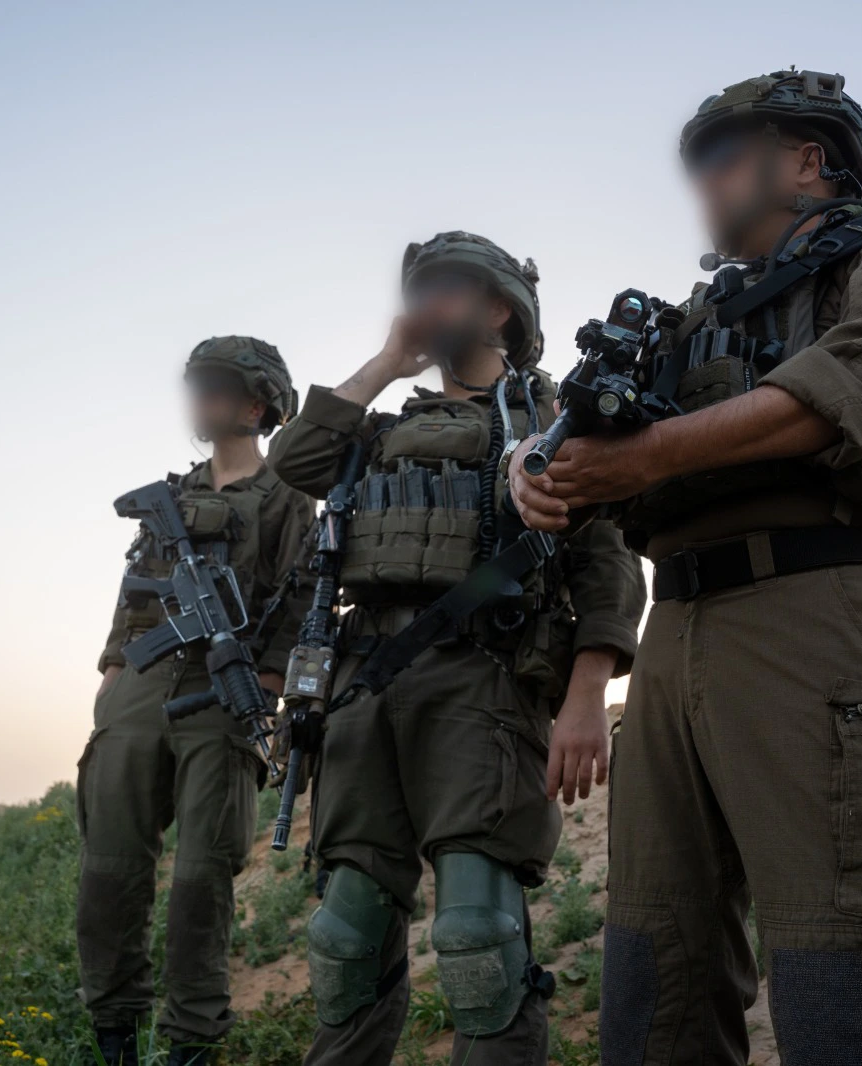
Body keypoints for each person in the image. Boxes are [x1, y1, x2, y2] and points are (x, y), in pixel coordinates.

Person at [509, 70, 862, 1066]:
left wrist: (645, 457)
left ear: (807, 160)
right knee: (654, 975)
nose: (704, 179)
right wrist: (533, 467)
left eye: (727, 154)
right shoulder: (688, 319)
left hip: (820, 616)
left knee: (846, 973)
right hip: (674, 634)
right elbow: (583, 442)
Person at [269, 232, 645, 1066]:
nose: (425, 304)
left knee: (480, 938)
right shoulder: (377, 430)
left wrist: (588, 694)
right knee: (345, 937)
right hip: (363, 686)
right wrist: (385, 363)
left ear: (500, 309)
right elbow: (292, 461)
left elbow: (608, 565)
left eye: (447, 288)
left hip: (486, 681)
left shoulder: (553, 423)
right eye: (418, 290)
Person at [77, 337, 315, 1066]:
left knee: (200, 881)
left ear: (259, 405)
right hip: (142, 685)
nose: (203, 399)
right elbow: (134, 587)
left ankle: (191, 1041)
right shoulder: (171, 496)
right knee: (108, 870)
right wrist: (114, 669)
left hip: (224, 689)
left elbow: (304, 596)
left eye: (220, 387)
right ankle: (114, 1030)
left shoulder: (287, 498)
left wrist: (268, 682)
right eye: (199, 385)